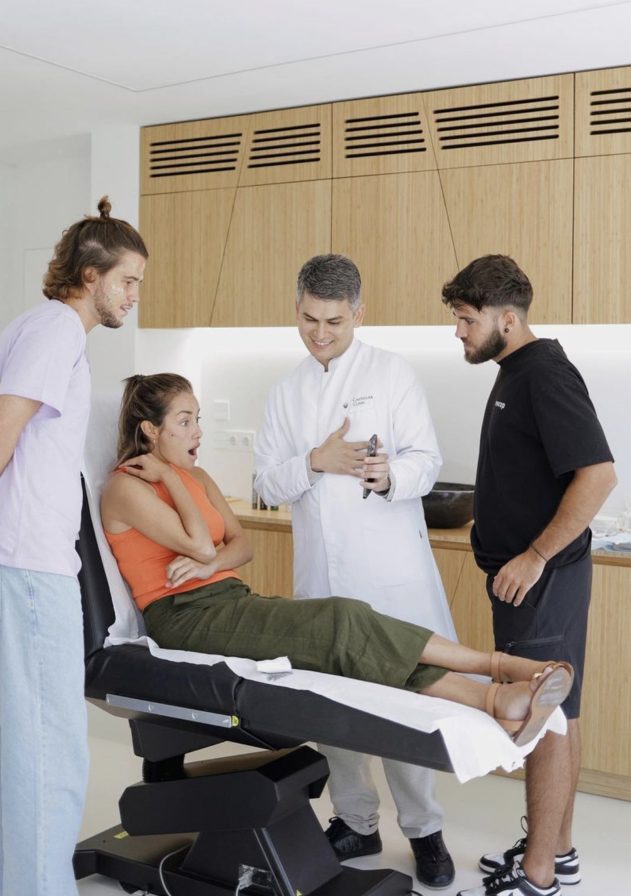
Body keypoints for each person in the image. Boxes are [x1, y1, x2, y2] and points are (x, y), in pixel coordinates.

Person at [101, 372, 573, 754]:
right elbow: (203, 545)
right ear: (150, 430)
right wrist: (169, 481)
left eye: (197, 419)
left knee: (356, 635)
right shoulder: (127, 488)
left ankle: (498, 697)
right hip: (183, 617)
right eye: (185, 421)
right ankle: (508, 667)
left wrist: (206, 560)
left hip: (226, 599)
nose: (198, 431)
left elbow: (241, 546)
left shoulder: (196, 474)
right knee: (343, 619)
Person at [0, 197, 148, 896]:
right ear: (90, 273)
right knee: (48, 758)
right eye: (127, 281)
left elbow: (5, 450)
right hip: (25, 573)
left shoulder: (27, 329)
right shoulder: (56, 333)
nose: (132, 296)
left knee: (14, 758)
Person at [253, 254, 456, 887]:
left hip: (392, 577)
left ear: (358, 315)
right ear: (296, 310)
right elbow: (263, 484)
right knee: (333, 706)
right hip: (324, 580)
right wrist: (314, 459)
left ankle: (424, 830)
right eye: (309, 319)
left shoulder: (392, 375)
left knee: (405, 705)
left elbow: (427, 459)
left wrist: (390, 472)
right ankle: (357, 822)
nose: (319, 333)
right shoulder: (284, 393)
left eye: (334, 322)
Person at [441, 255, 616, 896]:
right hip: (528, 584)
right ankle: (557, 851)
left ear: (506, 318)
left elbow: (598, 474)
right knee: (557, 714)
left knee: (540, 721)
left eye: (466, 320)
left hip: (541, 580)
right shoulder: (516, 368)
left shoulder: (545, 374)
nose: (459, 333)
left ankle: (538, 874)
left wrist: (535, 555)